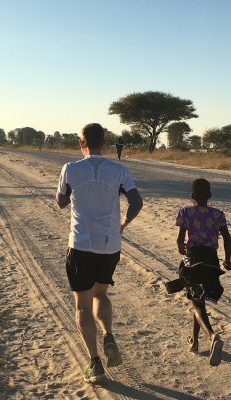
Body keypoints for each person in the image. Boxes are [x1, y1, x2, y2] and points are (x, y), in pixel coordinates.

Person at [56, 123, 143, 383]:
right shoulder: (119, 170)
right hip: (109, 246)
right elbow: (136, 202)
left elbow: (61, 202)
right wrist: (124, 224)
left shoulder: (70, 169)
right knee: (101, 294)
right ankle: (108, 334)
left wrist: (74, 192)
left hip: (81, 245)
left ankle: (94, 363)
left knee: (82, 305)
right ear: (104, 142)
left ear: (81, 142)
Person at [175, 178, 231, 366]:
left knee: (197, 303)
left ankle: (212, 336)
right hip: (211, 260)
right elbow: (227, 237)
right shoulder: (218, 214)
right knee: (198, 299)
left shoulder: (185, 212)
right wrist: (228, 259)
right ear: (209, 195)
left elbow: (180, 239)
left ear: (192, 195)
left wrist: (181, 248)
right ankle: (194, 341)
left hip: (193, 260)